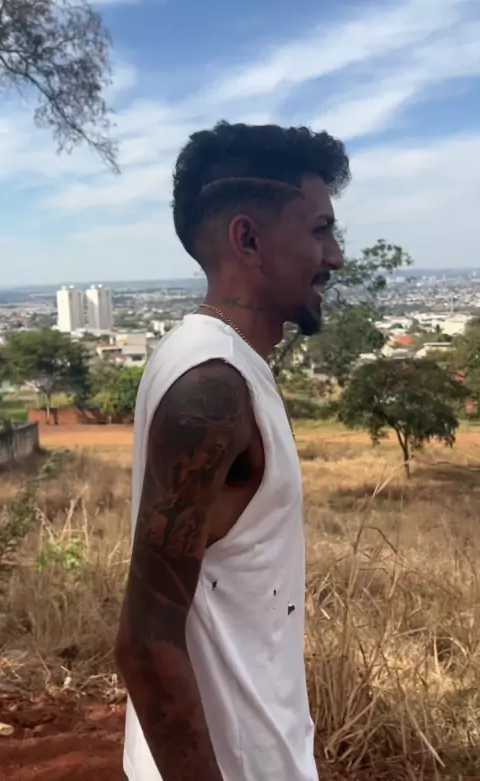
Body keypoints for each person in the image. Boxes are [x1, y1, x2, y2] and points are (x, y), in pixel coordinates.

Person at [115, 121, 350, 781]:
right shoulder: (212, 386)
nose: (335, 256)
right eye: (319, 230)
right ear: (247, 239)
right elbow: (144, 641)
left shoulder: (206, 359)